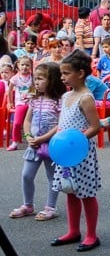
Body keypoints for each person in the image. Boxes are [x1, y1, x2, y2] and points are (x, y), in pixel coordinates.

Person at [50, 50, 102, 252]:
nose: (62, 77)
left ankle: (91, 234)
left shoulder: (86, 98)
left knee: (86, 193)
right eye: (61, 73)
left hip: (81, 153)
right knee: (69, 191)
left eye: (66, 73)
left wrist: (77, 140)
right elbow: (61, 124)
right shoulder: (66, 96)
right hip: (64, 153)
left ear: (80, 73)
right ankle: (73, 230)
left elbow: (95, 126)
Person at [8, 62, 66, 221]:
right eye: (36, 78)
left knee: (52, 176)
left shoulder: (58, 100)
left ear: (52, 80)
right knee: (26, 175)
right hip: (33, 145)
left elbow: (60, 124)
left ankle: (51, 207)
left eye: (41, 78)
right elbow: (27, 121)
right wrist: (28, 137)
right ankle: (28, 205)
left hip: (51, 144)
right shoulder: (34, 98)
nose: (37, 82)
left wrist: (43, 138)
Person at [6, 56, 33, 151]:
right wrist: (10, 102)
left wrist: (32, 98)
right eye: (22, 64)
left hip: (31, 103)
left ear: (30, 66)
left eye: (27, 65)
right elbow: (9, 91)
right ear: (18, 65)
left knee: (33, 123)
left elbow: (34, 90)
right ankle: (15, 141)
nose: (24, 67)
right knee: (17, 123)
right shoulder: (15, 78)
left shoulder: (33, 77)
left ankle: (32, 140)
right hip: (20, 103)